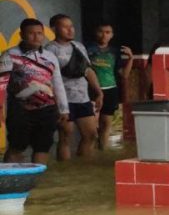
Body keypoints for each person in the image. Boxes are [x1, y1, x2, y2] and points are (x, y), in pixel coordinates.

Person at [0, 18, 68, 164]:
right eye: (31, 33)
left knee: (42, 147)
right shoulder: (9, 55)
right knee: (17, 146)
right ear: (21, 35)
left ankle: (37, 183)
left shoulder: (50, 57)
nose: (36, 37)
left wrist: (63, 109)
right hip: (19, 109)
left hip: (47, 109)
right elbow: (1, 84)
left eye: (39, 33)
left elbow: (58, 83)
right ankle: (9, 181)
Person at [45, 14, 102, 159]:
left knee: (91, 134)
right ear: (54, 29)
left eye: (71, 26)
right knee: (66, 135)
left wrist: (98, 91)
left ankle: (82, 169)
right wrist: (56, 103)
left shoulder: (79, 46)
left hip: (82, 98)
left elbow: (88, 71)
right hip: (64, 100)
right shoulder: (50, 49)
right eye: (65, 27)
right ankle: (65, 171)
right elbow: (48, 78)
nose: (70, 30)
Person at [87, 23, 133, 149]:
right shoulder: (88, 49)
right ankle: (90, 153)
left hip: (111, 90)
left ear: (112, 35)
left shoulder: (114, 52)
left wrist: (130, 59)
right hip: (92, 91)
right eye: (101, 31)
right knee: (91, 128)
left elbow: (124, 75)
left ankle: (103, 152)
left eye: (108, 32)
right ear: (95, 33)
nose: (104, 35)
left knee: (106, 125)